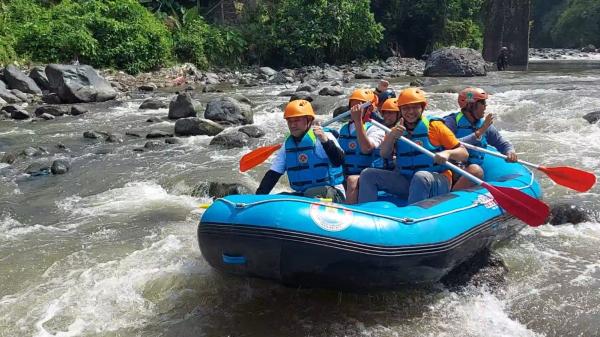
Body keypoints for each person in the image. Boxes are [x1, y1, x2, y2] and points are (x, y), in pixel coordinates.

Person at [358, 88, 468, 204]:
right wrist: (391, 137)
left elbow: (464, 153)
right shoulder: (395, 130)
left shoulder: (435, 127)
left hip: (437, 180)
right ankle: (366, 212)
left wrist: (448, 153)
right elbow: (384, 154)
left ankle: (412, 216)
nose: (410, 112)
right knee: (368, 174)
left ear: (422, 108)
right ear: (400, 110)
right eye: (406, 108)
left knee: (420, 177)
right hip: (407, 181)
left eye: (415, 107)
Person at [255, 99, 346, 202]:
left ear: (309, 120)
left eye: (297, 120)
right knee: (279, 198)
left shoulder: (324, 137)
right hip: (304, 195)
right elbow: (272, 175)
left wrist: (325, 141)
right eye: (290, 121)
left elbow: (339, 161)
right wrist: (258, 199)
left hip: (332, 193)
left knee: (312, 194)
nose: (293, 125)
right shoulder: (287, 145)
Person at [443, 87, 518, 190]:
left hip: (469, 172)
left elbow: (502, 143)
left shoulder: (484, 125)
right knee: (475, 170)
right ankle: (449, 198)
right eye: (482, 102)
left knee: (475, 170)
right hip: (451, 171)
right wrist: (479, 133)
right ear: (470, 105)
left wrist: (510, 152)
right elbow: (450, 145)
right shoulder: (451, 122)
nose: (485, 106)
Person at [338, 89, 385, 204]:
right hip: (346, 174)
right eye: (352, 105)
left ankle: (350, 214)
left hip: (368, 177)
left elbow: (366, 148)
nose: (355, 109)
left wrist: (358, 121)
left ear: (369, 109)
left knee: (352, 180)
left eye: (359, 106)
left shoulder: (376, 129)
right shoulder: (344, 129)